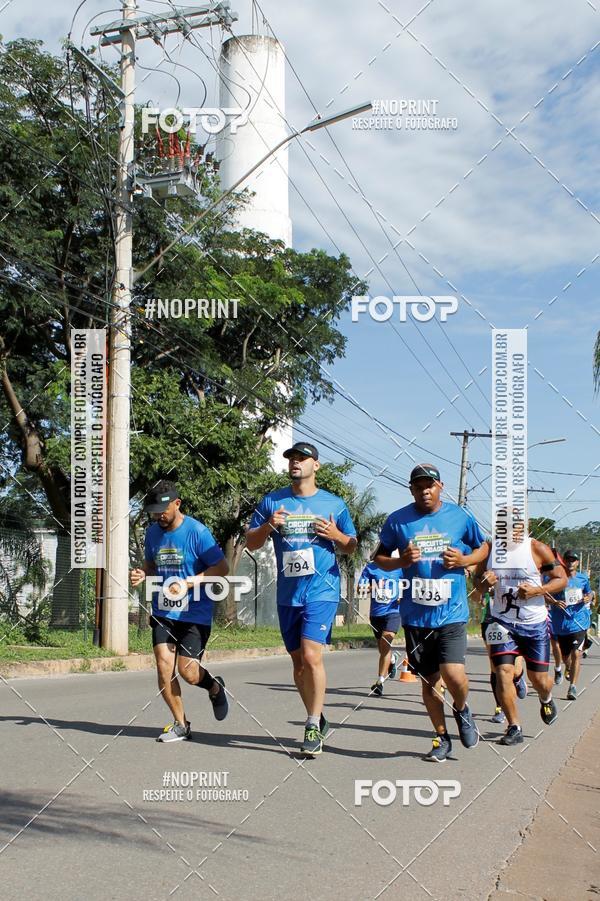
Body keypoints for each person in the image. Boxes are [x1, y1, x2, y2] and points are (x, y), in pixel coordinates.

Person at [246, 442, 357, 756]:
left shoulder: (333, 504)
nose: (295, 462)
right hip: (288, 594)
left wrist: (337, 536)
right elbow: (251, 542)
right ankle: (317, 713)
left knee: (311, 657)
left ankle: (310, 724)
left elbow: (351, 545)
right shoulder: (273, 501)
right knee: (297, 665)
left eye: (302, 458)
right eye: (292, 458)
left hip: (322, 590)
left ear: (316, 466)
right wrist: (269, 525)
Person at [374, 463, 490, 762]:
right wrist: (402, 562)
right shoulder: (397, 521)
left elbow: (484, 548)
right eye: (418, 486)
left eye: (430, 485)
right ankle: (441, 737)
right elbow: (380, 559)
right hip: (415, 616)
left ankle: (462, 709)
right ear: (411, 490)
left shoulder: (460, 516)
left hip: (451, 612)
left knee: (453, 673)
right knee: (429, 681)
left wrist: (464, 560)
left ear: (440, 486)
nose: (424, 490)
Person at [130, 480, 230, 742]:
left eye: (162, 510)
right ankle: (180, 724)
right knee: (164, 668)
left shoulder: (197, 531)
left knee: (188, 672)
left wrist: (190, 582)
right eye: (153, 512)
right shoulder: (152, 533)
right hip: (164, 610)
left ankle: (214, 686)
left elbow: (222, 569)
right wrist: (143, 573)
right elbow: (151, 564)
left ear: (177, 504)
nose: (158, 516)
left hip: (194, 613)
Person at [474, 511, 568, 746]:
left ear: (524, 526)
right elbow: (477, 580)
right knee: (502, 673)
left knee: (540, 680)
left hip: (533, 624)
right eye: (503, 526)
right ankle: (514, 726)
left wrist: (537, 591)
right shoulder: (490, 549)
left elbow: (561, 579)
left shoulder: (537, 549)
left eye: (515, 525)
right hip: (501, 622)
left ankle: (546, 699)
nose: (510, 531)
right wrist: (484, 583)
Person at [548, 551, 593, 701]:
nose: (570, 562)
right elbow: (544, 594)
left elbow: (590, 592)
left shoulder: (582, 578)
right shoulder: (557, 578)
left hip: (579, 622)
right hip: (561, 625)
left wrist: (588, 597)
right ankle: (567, 667)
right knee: (566, 657)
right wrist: (554, 602)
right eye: (567, 559)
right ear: (563, 562)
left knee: (576, 654)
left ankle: (572, 687)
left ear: (577, 563)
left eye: (573, 560)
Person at [357, 559, 402, 696]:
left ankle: (380, 682)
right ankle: (392, 659)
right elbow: (360, 590)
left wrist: (402, 595)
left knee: (385, 642)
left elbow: (411, 584)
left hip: (394, 612)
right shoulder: (371, 568)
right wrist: (374, 586)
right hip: (376, 614)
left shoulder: (400, 567)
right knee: (382, 649)